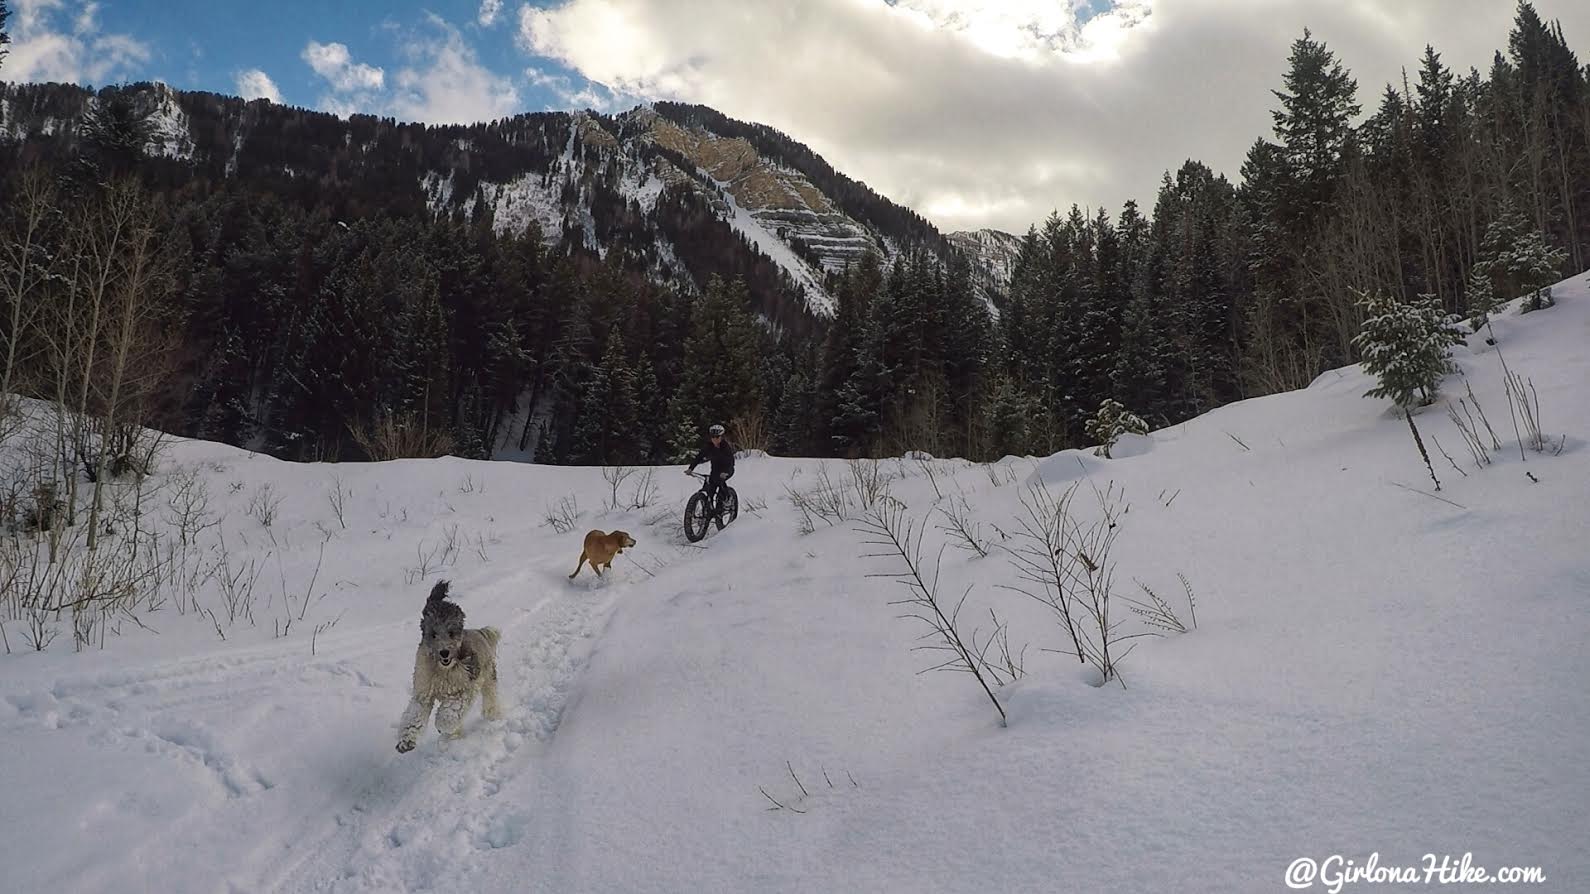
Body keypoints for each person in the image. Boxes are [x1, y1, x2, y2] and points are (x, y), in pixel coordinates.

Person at [685, 423, 736, 513]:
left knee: (720, 482)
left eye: (717, 437)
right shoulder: (709, 446)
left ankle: (727, 499)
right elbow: (699, 457)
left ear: (721, 437)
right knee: (709, 489)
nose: (715, 439)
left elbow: (731, 462)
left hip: (727, 470)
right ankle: (707, 510)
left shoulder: (726, 447)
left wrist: (726, 472)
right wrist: (691, 468)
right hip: (715, 471)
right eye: (713, 437)